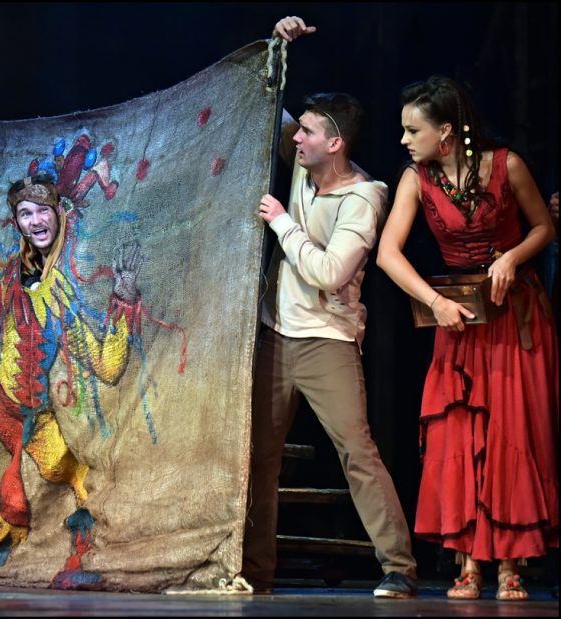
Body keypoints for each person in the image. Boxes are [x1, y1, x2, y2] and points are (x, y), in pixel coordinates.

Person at [242, 16, 418, 599]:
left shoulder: (365, 197)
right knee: (258, 460)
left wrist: (282, 223)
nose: (296, 139)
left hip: (328, 341)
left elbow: (329, 273)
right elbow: (273, 107)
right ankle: (253, 573)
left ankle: (399, 567)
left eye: (310, 133)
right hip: (275, 336)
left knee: (357, 451)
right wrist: (279, 46)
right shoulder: (303, 169)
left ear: (335, 143)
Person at [376, 75, 558, 600]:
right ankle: (469, 564)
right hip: (459, 317)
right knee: (462, 434)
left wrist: (512, 257)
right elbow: (388, 253)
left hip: (514, 316)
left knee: (511, 433)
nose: (404, 140)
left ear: (447, 132)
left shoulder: (507, 165)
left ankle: (511, 566)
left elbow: (544, 227)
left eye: (413, 130)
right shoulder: (416, 179)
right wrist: (434, 303)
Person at [0, 173, 144, 587]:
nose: (35, 221)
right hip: (5, 409)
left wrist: (123, 298)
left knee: (79, 478)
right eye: (25, 214)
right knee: (17, 492)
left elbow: (108, 366)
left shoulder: (62, 292)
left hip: (40, 414)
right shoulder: (10, 279)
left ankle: (76, 562)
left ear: (58, 213)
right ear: (16, 222)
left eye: (42, 210)